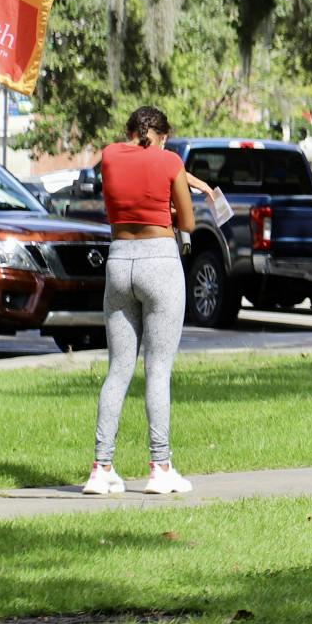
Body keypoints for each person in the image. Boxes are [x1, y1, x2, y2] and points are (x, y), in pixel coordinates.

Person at [86, 106, 203, 496]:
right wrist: (174, 200)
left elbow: (131, 170)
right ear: (164, 135)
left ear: (130, 130)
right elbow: (187, 223)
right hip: (159, 263)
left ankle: (101, 468)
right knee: (157, 370)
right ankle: (161, 466)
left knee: (118, 369)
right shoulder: (169, 161)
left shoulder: (110, 155)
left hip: (120, 261)